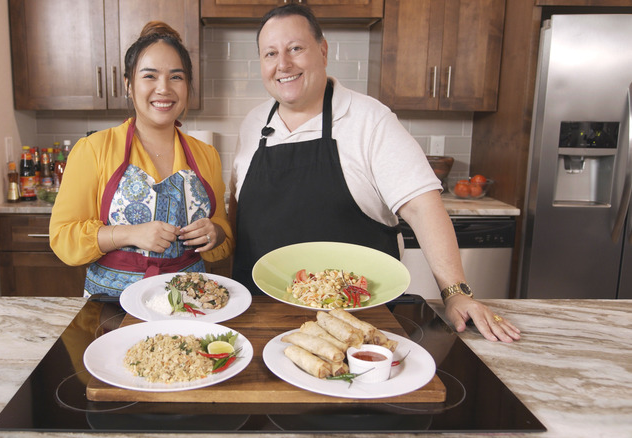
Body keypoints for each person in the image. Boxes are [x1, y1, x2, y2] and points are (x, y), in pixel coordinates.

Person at [229, 4, 520, 343]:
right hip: (259, 319)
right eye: (270, 54)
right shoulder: (253, 124)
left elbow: (423, 207)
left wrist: (455, 292)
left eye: (295, 48)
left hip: (357, 327)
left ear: (322, 51)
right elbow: (239, 210)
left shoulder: (370, 120)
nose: (283, 64)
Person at [50, 21, 232, 297]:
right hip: (112, 307)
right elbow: (63, 237)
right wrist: (129, 234)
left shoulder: (206, 155)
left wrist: (215, 233)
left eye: (176, 77)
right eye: (150, 76)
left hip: (191, 303)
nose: (164, 88)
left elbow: (224, 235)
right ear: (128, 85)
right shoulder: (94, 149)